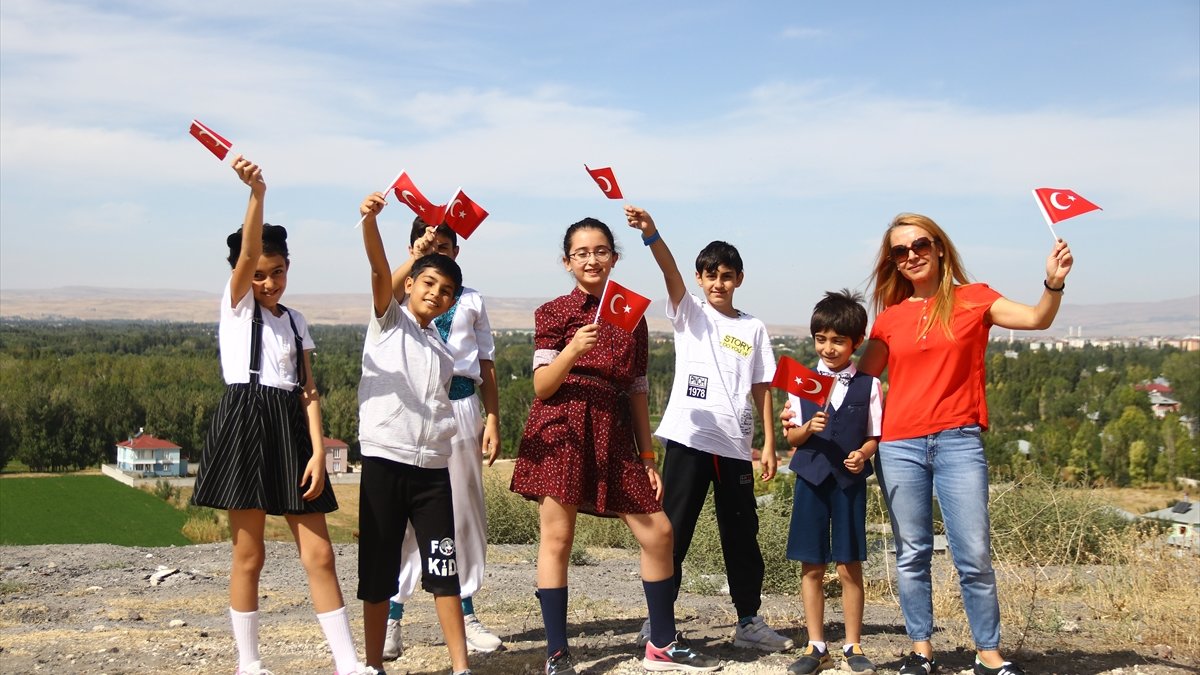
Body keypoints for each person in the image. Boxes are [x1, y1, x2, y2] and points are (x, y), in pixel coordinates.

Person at [857, 213, 1073, 675]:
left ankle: (988, 653)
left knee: (972, 553)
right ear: (893, 262)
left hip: (958, 441)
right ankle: (921, 651)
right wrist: (802, 401)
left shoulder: (976, 300)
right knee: (912, 553)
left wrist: (1052, 283)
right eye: (900, 251)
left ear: (939, 248)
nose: (911, 255)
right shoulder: (891, 319)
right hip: (900, 446)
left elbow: (1036, 319)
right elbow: (857, 380)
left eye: (919, 245)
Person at [509, 217, 720, 674]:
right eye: (581, 253)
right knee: (558, 539)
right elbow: (542, 387)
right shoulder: (552, 313)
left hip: (614, 428)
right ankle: (558, 654)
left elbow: (638, 389)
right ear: (567, 262)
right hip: (561, 425)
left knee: (659, 532)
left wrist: (648, 456)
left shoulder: (632, 316)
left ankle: (661, 645)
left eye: (600, 250)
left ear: (614, 257)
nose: (591, 259)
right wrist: (571, 352)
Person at [191, 156, 372, 675]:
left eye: (279, 272)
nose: (269, 283)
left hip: (291, 429)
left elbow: (309, 391)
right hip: (244, 420)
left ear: (289, 268)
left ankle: (347, 664)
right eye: (260, 275)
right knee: (250, 555)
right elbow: (248, 252)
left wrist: (318, 449)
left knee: (320, 553)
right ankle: (249, 663)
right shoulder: (236, 306)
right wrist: (258, 193)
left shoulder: (297, 321)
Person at [624, 206, 791, 653]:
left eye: (728, 276)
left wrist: (768, 444)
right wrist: (651, 233)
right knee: (673, 531)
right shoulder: (690, 313)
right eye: (711, 275)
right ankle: (659, 622)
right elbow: (668, 269)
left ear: (739, 279)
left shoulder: (753, 327)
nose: (719, 283)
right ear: (700, 279)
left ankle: (749, 620)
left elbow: (762, 386)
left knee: (741, 533)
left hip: (736, 447)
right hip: (690, 439)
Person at [355, 192, 472, 675]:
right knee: (378, 573)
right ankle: (373, 665)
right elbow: (381, 272)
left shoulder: (442, 349)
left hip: (432, 474)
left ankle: (461, 668)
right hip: (385, 462)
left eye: (445, 291)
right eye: (427, 283)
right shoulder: (388, 323)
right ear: (411, 284)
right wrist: (371, 223)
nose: (435, 294)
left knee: (445, 571)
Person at [381, 219, 503, 660]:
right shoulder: (406, 295)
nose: (442, 253)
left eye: (448, 247)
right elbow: (385, 295)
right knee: (409, 512)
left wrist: (493, 417)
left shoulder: (471, 300)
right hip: (416, 411)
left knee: (463, 511)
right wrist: (418, 255)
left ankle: (465, 611)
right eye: (434, 247)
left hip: (463, 406)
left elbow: (485, 362)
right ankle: (394, 614)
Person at [780, 290, 882, 675]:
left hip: (849, 483)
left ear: (856, 341)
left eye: (838, 340)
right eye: (821, 339)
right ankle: (816, 644)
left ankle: (853, 645)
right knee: (812, 565)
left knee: (849, 564)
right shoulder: (801, 382)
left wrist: (864, 453)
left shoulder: (869, 385)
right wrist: (807, 428)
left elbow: (875, 435)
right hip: (810, 480)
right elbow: (791, 439)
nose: (828, 347)